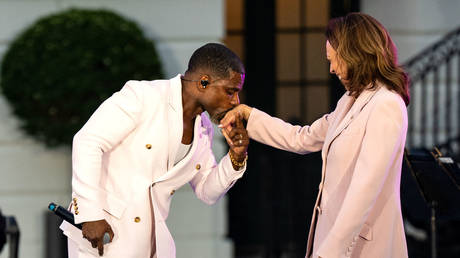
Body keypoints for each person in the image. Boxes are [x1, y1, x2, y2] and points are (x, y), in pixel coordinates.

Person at [220, 13, 410, 258]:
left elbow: (364, 189)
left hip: (363, 249)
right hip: (333, 242)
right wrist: (249, 116)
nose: (331, 69)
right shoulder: (349, 100)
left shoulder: (386, 104)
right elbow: (302, 137)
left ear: (355, 54)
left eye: (335, 60)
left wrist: (329, 253)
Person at [60, 43, 250, 258]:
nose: (235, 102)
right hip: (103, 237)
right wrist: (89, 213)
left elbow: (207, 191)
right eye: (230, 91)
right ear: (203, 82)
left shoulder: (203, 125)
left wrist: (236, 156)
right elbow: (87, 141)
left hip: (152, 244)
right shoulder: (143, 96)